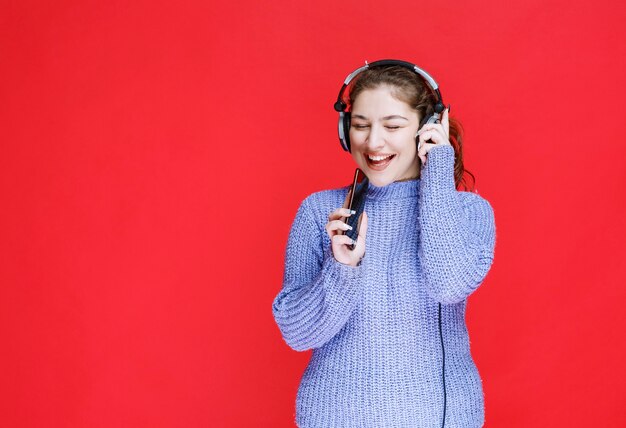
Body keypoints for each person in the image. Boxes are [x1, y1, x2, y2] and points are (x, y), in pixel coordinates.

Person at [271, 60, 496, 428]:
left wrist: (438, 173)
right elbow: (297, 334)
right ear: (346, 131)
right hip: (333, 417)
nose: (373, 142)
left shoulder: (469, 212)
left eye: (392, 126)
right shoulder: (320, 212)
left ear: (426, 129)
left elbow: (449, 283)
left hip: (440, 417)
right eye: (360, 126)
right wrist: (342, 268)